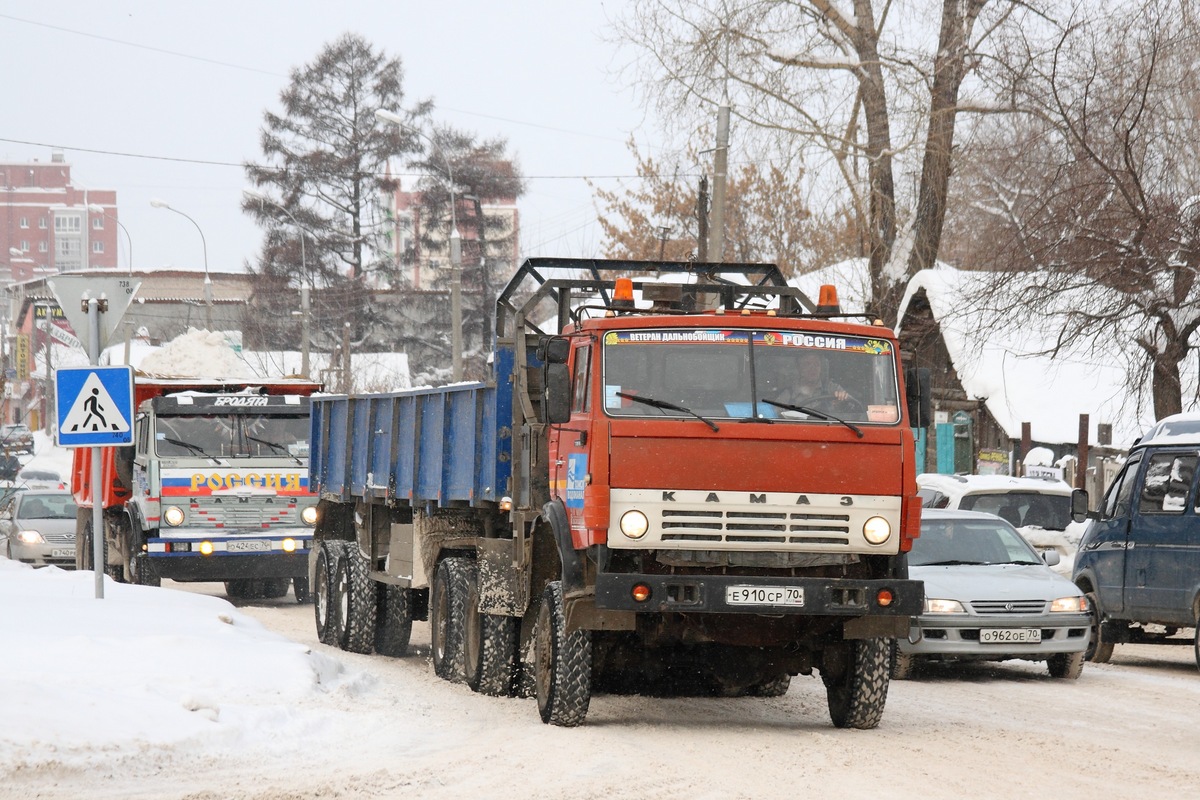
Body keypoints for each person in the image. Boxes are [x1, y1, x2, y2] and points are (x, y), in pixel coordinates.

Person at [782, 350, 853, 408]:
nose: (813, 368)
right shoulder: (788, 394)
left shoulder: (833, 388)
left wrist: (843, 401)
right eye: (807, 364)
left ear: (821, 368)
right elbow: (773, 416)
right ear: (799, 368)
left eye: (816, 364)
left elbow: (854, 407)